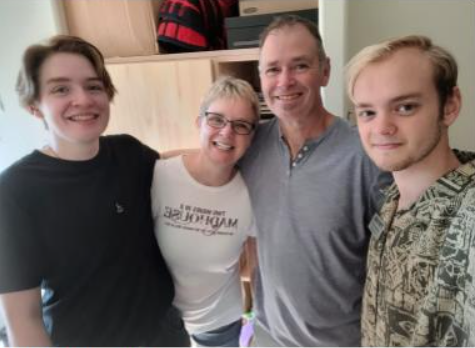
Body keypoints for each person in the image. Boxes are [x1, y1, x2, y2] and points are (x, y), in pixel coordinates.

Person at [0, 35, 189, 347]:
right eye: (61, 89)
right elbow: (23, 319)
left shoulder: (131, 153)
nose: (84, 100)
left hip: (165, 335)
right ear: (35, 106)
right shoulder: (15, 191)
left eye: (93, 86)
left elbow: (181, 168)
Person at [238, 15, 387, 346]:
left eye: (300, 65)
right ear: (260, 77)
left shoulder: (366, 154)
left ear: (325, 71)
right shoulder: (249, 145)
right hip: (266, 337)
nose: (285, 81)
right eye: (273, 69)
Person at [346, 35, 475, 346]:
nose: (381, 128)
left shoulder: (468, 214)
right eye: (367, 112)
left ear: (449, 106)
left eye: (405, 107)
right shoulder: (391, 198)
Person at [151, 76, 258, 347]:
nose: (226, 132)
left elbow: (254, 268)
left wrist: (256, 317)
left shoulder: (253, 194)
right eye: (216, 119)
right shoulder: (158, 175)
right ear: (199, 122)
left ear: (251, 136)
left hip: (220, 327)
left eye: (241, 125)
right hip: (157, 324)